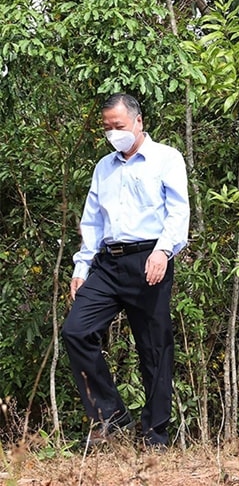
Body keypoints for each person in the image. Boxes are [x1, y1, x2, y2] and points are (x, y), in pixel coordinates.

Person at [62, 93, 190, 448]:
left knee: (154, 349)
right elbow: (93, 221)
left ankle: (155, 434)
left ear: (138, 121)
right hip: (108, 262)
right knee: (76, 331)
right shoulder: (103, 167)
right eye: (107, 128)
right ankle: (111, 415)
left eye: (118, 126)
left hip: (149, 258)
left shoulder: (166, 158)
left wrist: (163, 250)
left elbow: (179, 212)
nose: (112, 133)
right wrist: (82, 266)